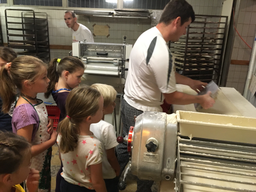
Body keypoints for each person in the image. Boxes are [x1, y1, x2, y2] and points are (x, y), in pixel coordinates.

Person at [116, 0, 215, 191]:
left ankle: (115, 177)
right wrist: (200, 99)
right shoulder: (161, 51)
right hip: (143, 112)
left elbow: (163, 74)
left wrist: (191, 82)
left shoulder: (148, 36)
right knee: (148, 162)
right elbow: (171, 97)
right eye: (186, 27)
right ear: (177, 21)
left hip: (129, 103)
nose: (185, 32)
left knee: (127, 147)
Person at [0, 55, 58, 192]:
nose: (48, 80)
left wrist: (45, 121)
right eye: (44, 77)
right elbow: (26, 151)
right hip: (30, 168)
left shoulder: (33, 100)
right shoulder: (24, 112)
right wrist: (52, 140)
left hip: (42, 160)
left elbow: (35, 122)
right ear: (28, 84)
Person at [45, 56, 85, 192]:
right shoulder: (66, 97)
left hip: (63, 129)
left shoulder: (57, 85)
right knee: (66, 168)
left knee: (65, 165)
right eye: (78, 77)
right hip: (67, 132)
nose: (80, 81)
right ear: (66, 74)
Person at [57, 86, 107, 192]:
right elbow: (97, 182)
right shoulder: (94, 145)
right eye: (101, 108)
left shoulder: (62, 133)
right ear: (89, 118)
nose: (103, 110)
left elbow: (62, 158)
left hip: (65, 183)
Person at [90, 83, 120, 192]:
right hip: (106, 174)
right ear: (102, 106)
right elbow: (111, 156)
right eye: (112, 102)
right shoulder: (107, 127)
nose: (114, 104)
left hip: (88, 173)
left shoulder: (83, 122)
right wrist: (117, 169)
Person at [0, 47, 17, 132]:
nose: (6, 69)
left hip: (18, 132)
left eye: (9, 66)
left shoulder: (18, 84)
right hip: (4, 136)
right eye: (1, 65)